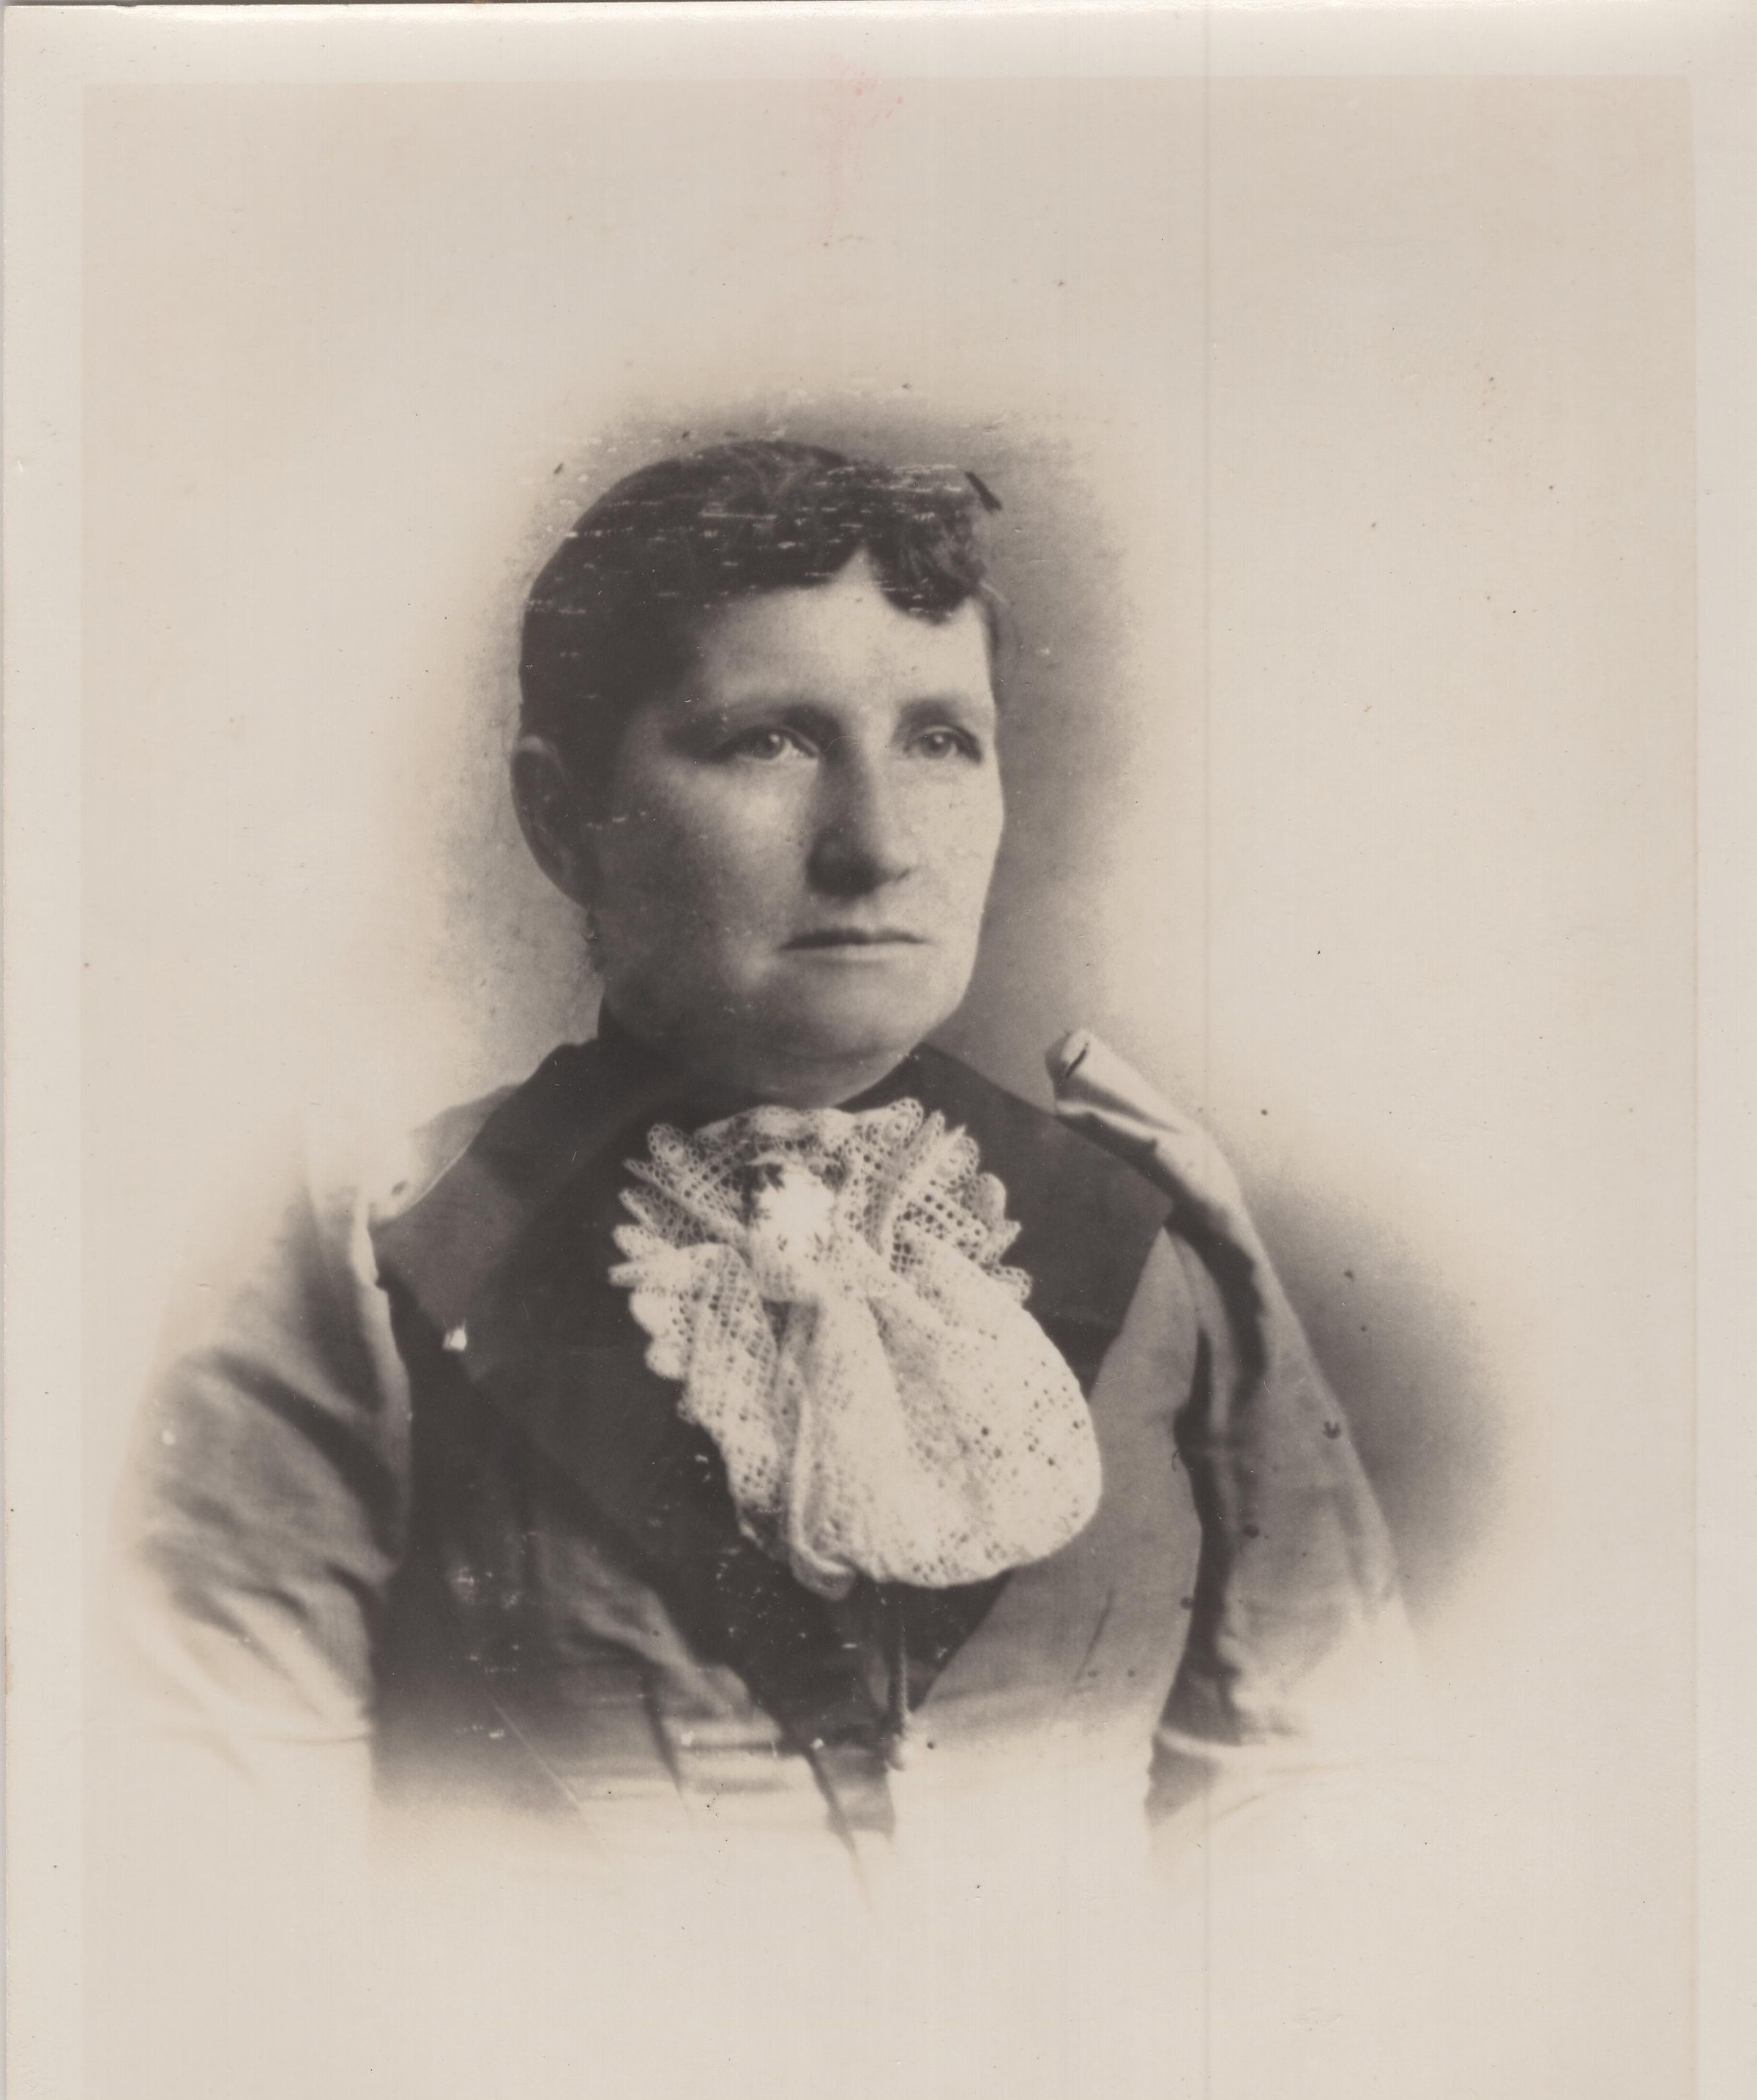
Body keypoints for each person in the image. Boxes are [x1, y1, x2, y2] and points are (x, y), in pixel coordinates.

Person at [116, 439, 1422, 1885]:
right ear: (563, 819)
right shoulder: (382, 1246)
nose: (878, 844)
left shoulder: (1160, 1248)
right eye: (769, 741)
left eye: (941, 739)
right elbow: (219, 1865)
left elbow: (1320, 1789)